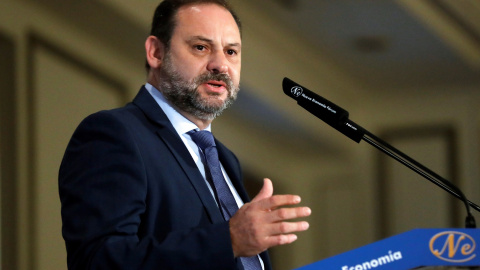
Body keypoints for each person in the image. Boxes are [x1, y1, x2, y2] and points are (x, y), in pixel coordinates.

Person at [58, 0, 312, 269]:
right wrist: (230, 239)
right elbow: (98, 261)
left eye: (231, 51)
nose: (220, 65)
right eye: (201, 47)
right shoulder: (114, 134)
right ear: (156, 52)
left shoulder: (225, 159)